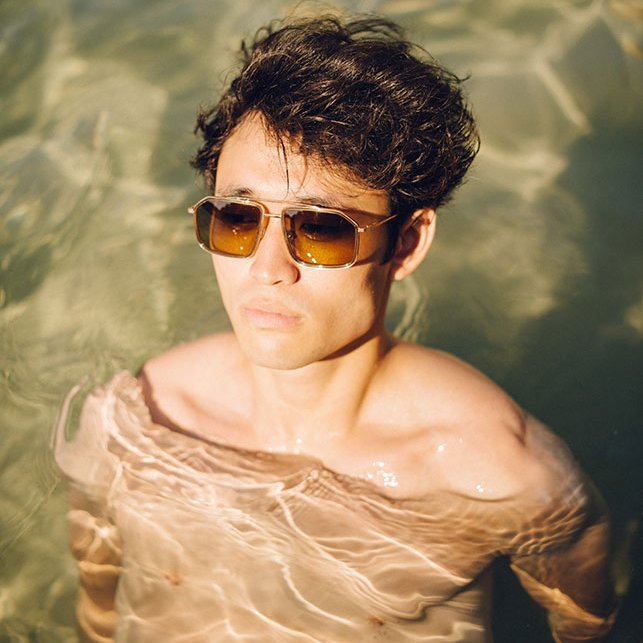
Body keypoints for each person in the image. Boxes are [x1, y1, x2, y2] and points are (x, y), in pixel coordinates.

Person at [55, 14, 617, 643]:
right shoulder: (142, 420)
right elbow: (98, 612)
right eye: (237, 219)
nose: (267, 269)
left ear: (406, 243)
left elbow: (584, 627)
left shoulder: (501, 481)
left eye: (320, 229)